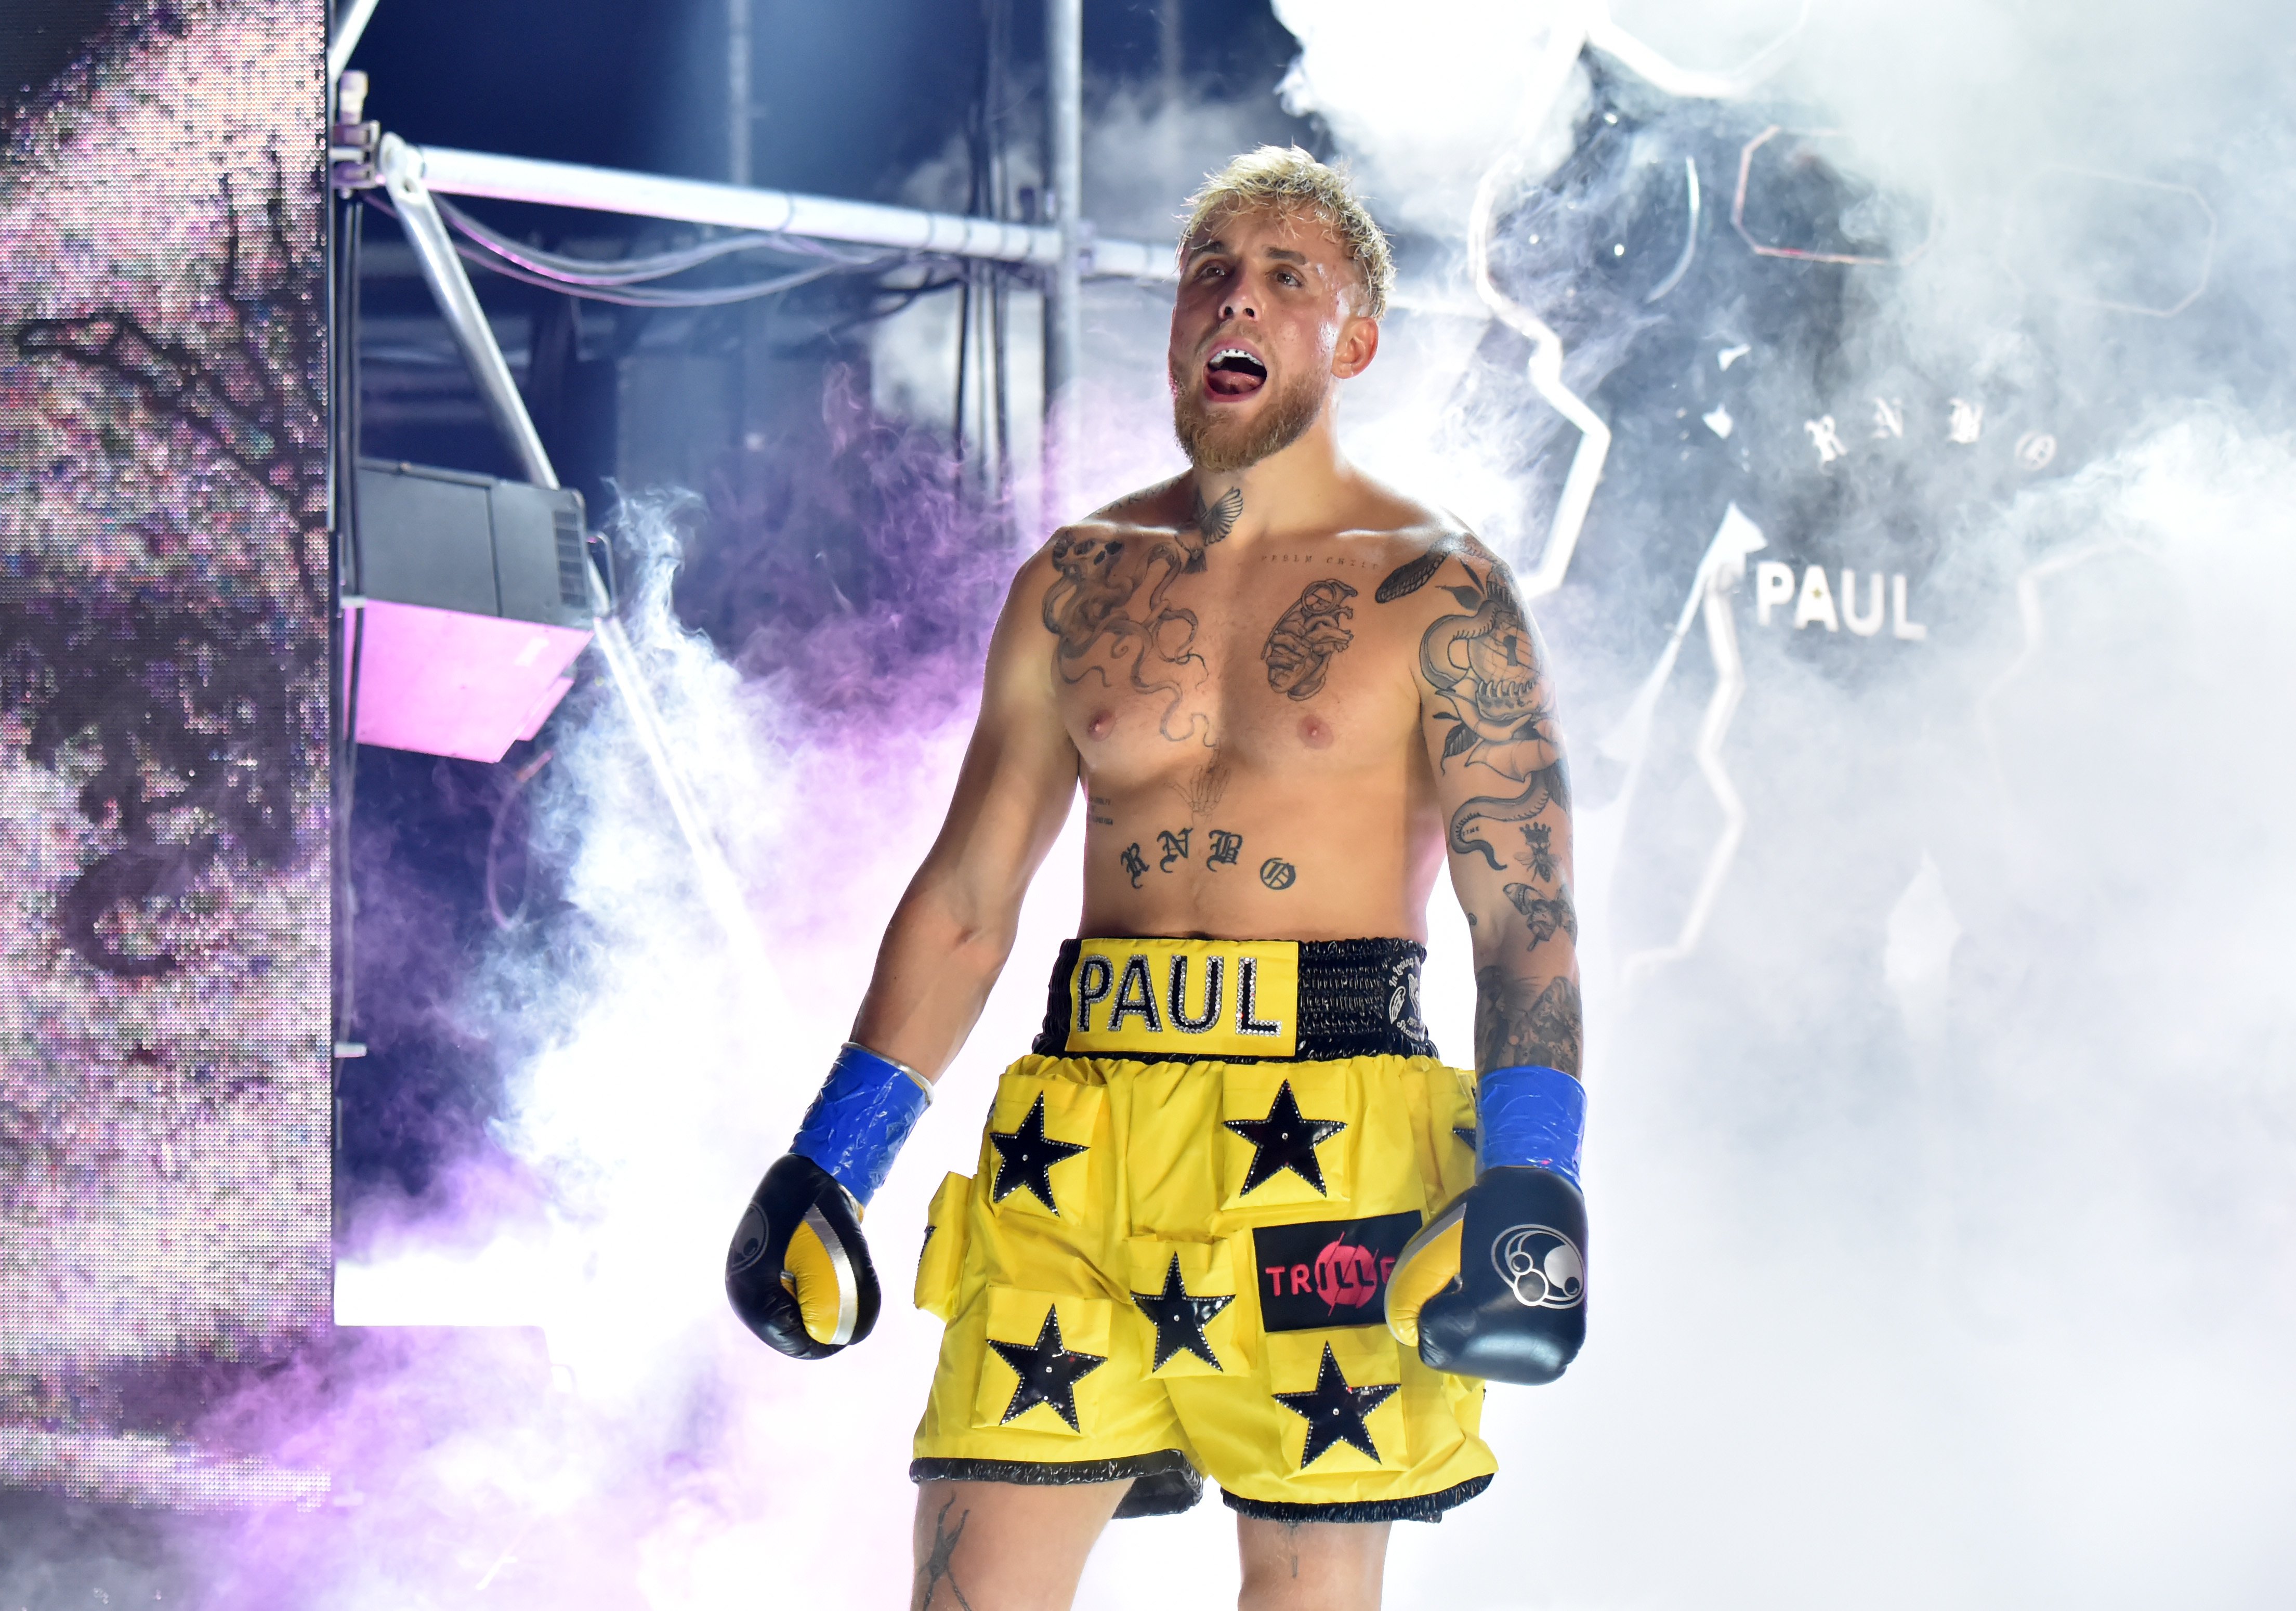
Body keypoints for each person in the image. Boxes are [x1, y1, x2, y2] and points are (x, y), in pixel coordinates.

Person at [727, 146, 1589, 1611]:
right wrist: (834, 1156)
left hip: (1333, 1136)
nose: (1232, 298)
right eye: (1210, 273)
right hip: (1081, 1133)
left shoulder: (1440, 589)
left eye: (1282, 277)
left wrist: (1535, 1171)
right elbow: (968, 895)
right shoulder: (1076, 578)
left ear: (1352, 339)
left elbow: (1523, 920)